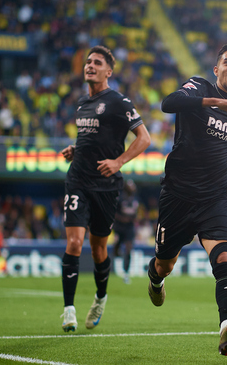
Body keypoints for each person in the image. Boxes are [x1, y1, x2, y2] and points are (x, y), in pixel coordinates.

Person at [146, 42, 227, 356]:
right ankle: (155, 279)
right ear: (216, 69)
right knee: (164, 265)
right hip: (178, 196)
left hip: (216, 197)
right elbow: (170, 103)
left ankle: (226, 327)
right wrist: (214, 103)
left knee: (224, 259)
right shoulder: (199, 86)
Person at [60, 45, 151, 332]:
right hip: (78, 180)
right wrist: (77, 149)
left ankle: (100, 297)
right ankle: (69, 309)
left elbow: (144, 138)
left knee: (99, 250)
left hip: (107, 187)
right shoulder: (82, 103)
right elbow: (93, 136)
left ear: (108, 71)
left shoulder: (118, 102)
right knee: (74, 243)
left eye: (97, 62)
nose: (90, 65)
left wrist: (119, 161)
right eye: (88, 61)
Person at [113, 179, 140, 284]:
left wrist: (135, 218)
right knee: (117, 247)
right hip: (120, 227)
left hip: (129, 227)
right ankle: (116, 253)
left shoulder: (135, 199)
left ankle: (126, 273)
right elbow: (114, 213)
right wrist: (122, 219)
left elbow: (136, 213)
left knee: (128, 249)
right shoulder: (120, 199)